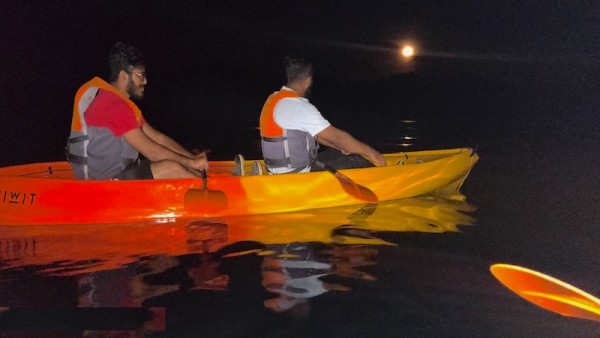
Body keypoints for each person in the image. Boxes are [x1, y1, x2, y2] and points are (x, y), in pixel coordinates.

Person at [66, 42, 208, 180]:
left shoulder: (122, 104)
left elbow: (158, 138)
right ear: (123, 76)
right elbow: (151, 151)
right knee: (172, 168)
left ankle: (205, 190)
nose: (145, 81)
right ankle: (210, 198)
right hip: (104, 184)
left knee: (179, 166)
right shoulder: (112, 105)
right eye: (140, 75)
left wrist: (191, 158)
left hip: (121, 173)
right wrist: (191, 163)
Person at [258, 55, 386, 174]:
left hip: (281, 171)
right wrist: (372, 152)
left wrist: (340, 146)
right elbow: (339, 138)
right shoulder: (298, 106)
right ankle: (383, 183)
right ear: (308, 80)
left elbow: (322, 137)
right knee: (354, 159)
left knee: (340, 152)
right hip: (298, 176)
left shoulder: (274, 99)